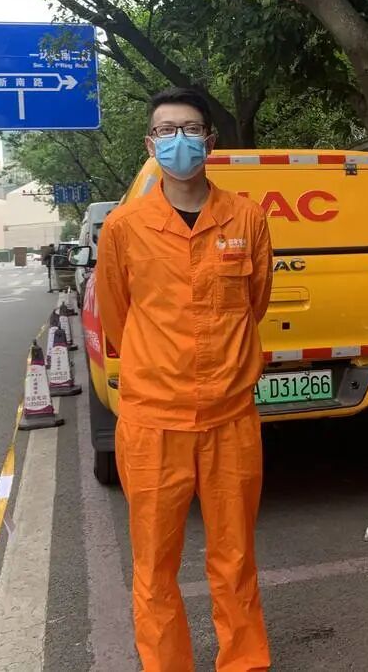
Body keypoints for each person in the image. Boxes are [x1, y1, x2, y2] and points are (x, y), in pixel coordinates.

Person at [95, 87, 273, 672]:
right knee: (154, 566)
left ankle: (244, 663)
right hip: (153, 422)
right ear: (151, 145)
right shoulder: (124, 227)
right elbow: (118, 317)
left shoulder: (246, 218)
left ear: (210, 141)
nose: (180, 141)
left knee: (235, 558)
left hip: (230, 418)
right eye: (167, 131)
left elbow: (254, 303)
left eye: (191, 129)